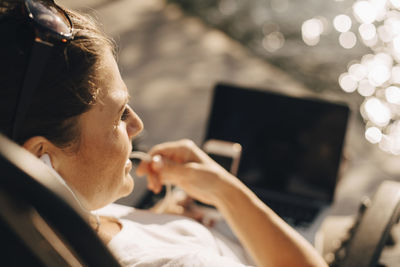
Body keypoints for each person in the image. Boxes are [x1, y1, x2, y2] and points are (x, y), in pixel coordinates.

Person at [0, 1, 327, 266]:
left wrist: (160, 222)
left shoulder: (37, 227)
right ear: (40, 157)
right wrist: (226, 192)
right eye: (118, 115)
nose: (137, 125)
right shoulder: (182, 262)